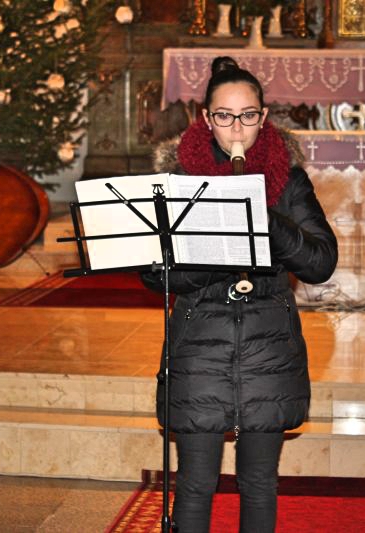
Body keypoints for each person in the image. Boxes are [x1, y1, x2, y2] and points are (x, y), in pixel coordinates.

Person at [141, 56, 338, 533]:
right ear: (206, 118)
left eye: (248, 115)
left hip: (268, 347)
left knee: (259, 482)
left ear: (263, 117)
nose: (236, 128)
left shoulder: (288, 179)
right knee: (195, 482)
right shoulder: (180, 180)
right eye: (224, 116)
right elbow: (155, 273)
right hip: (199, 347)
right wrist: (220, 246)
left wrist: (267, 221)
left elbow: (320, 263)